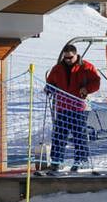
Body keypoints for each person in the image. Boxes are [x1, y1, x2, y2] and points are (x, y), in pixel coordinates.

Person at [44, 44, 102, 172]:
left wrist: (86, 89)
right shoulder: (58, 68)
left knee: (79, 134)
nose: (68, 60)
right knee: (59, 135)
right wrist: (49, 88)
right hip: (62, 107)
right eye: (65, 58)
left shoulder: (86, 67)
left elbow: (96, 82)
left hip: (79, 107)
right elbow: (50, 82)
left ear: (76, 55)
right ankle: (56, 161)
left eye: (70, 57)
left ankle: (82, 160)